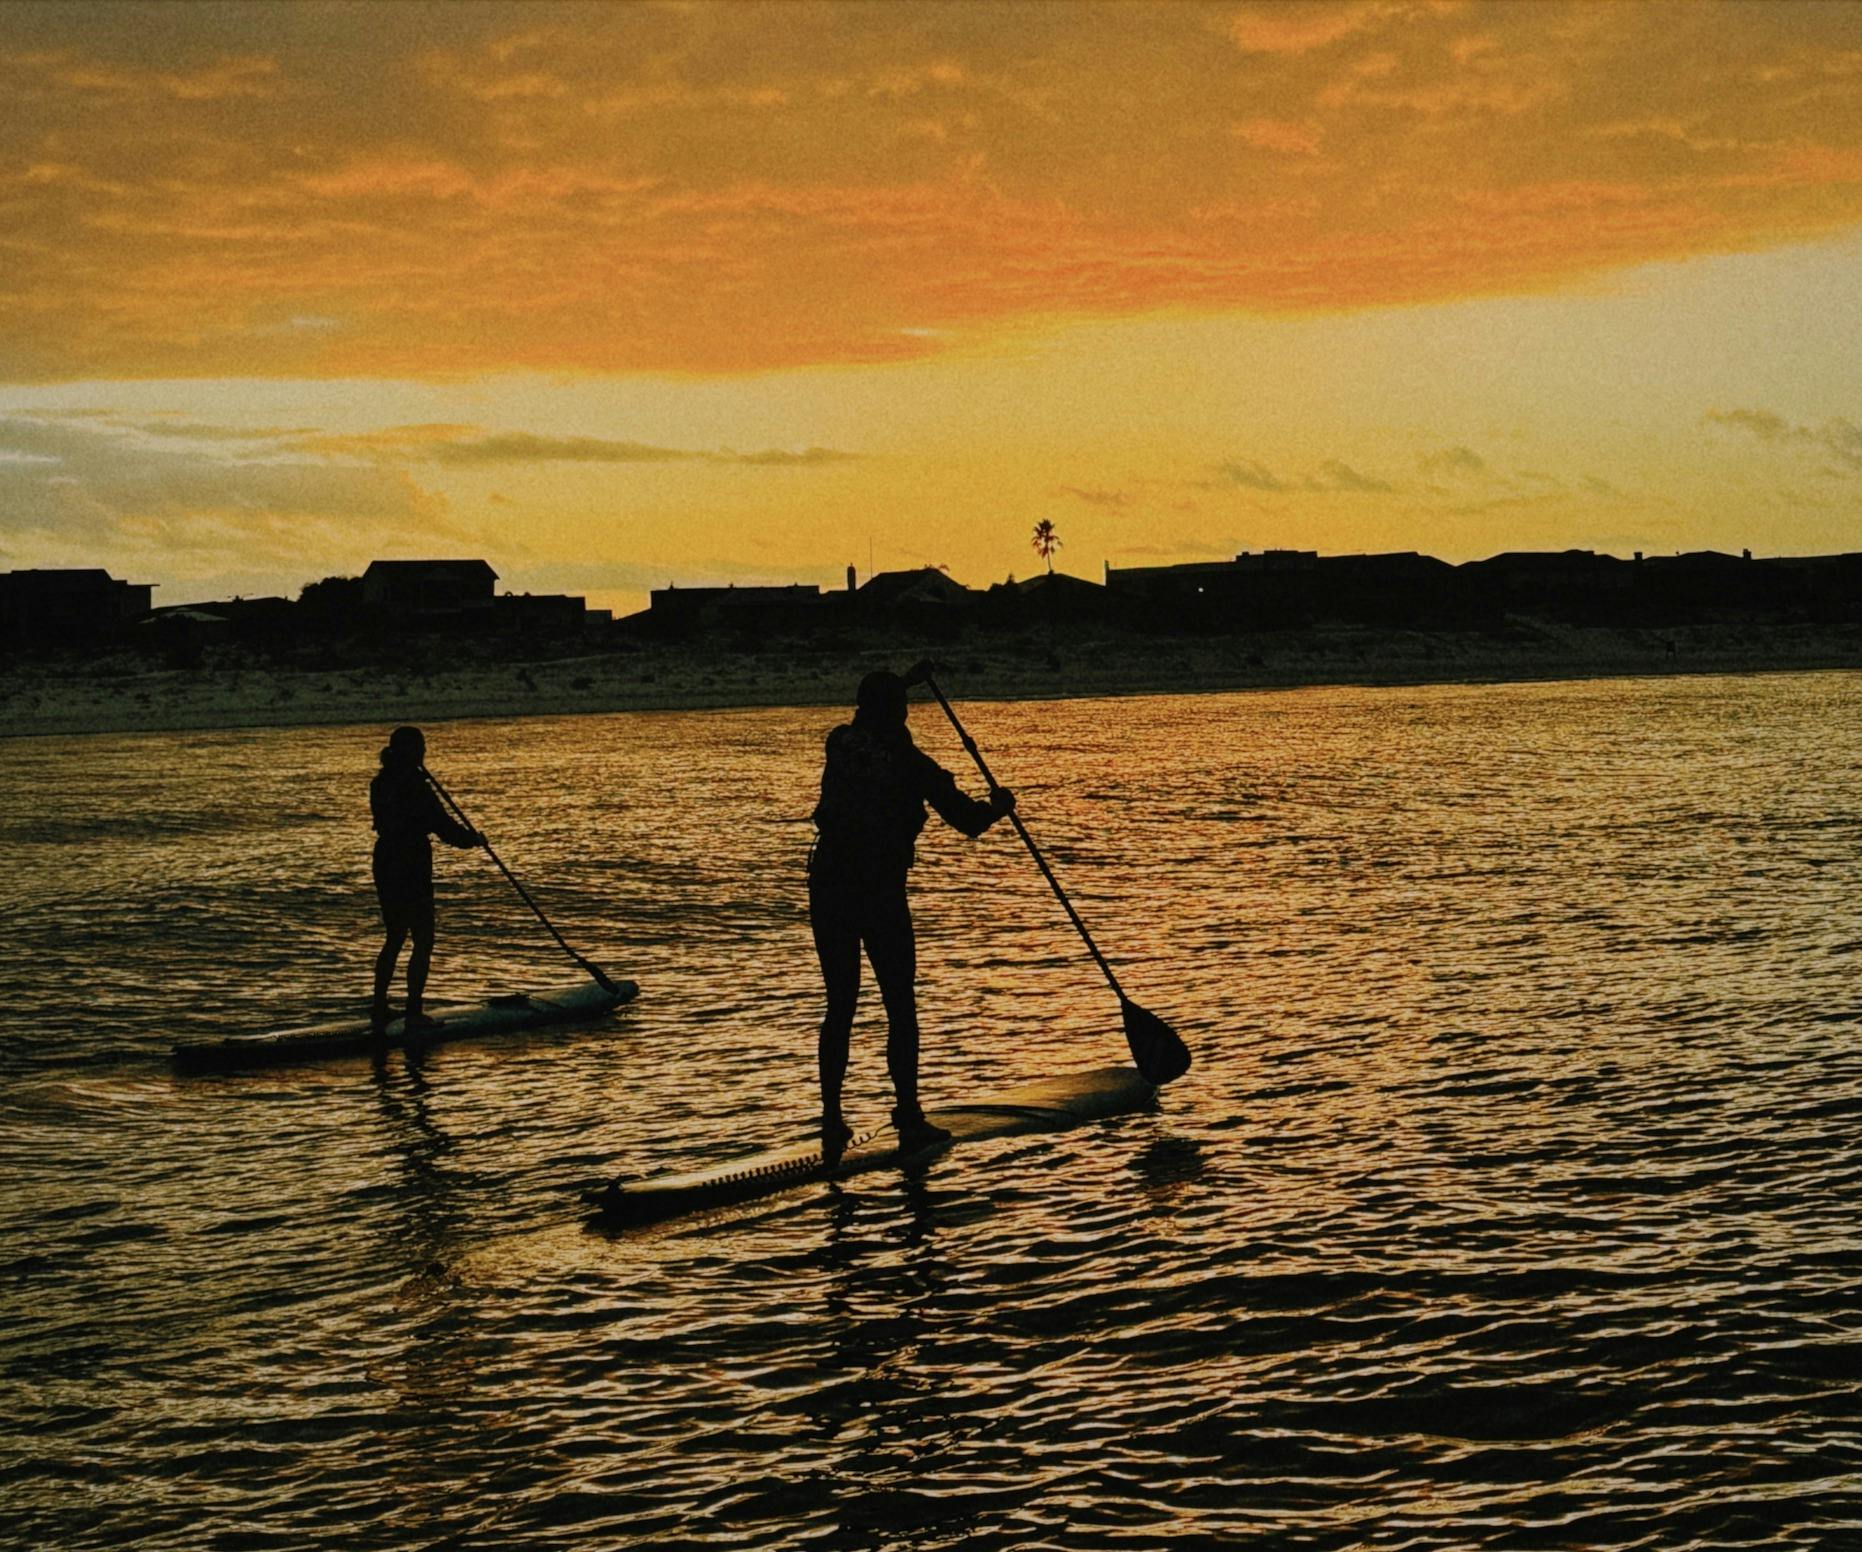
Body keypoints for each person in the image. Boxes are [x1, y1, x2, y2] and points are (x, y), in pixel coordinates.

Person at [808, 661, 1015, 1163]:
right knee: (899, 1004)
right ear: (896, 715)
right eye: (902, 710)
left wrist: (904, 679)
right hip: (877, 894)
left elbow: (876, 722)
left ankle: (832, 1118)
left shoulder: (840, 742)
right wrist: (999, 806)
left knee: (841, 1005)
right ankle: (909, 1116)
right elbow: (966, 821)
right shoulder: (911, 764)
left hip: (829, 890)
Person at [370, 726, 481, 1033]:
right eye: (419, 749)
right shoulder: (415, 786)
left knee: (395, 936)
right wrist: (471, 840)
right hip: (409, 863)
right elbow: (441, 825)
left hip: (385, 861)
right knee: (423, 937)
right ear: (410, 752)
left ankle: (379, 1007)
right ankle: (414, 1012)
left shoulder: (380, 783)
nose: (423, 754)